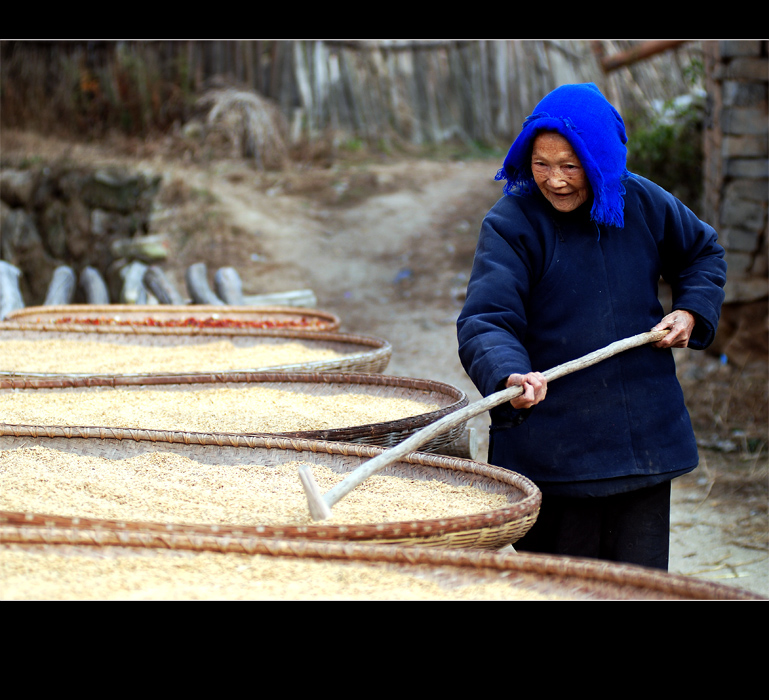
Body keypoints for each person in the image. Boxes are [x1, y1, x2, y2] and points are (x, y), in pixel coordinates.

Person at [456, 82, 727, 571]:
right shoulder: (512, 224)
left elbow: (702, 253)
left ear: (601, 159)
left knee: (637, 583)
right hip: (555, 445)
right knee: (569, 583)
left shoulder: (642, 203)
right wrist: (509, 375)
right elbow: (485, 319)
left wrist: (691, 310)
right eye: (540, 164)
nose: (554, 180)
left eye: (570, 165)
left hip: (641, 439)